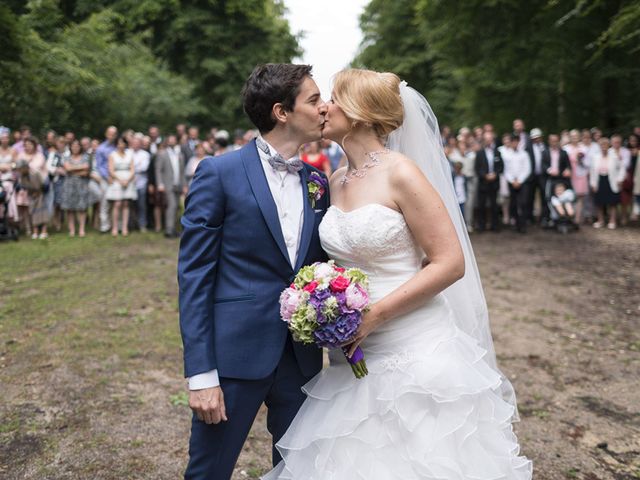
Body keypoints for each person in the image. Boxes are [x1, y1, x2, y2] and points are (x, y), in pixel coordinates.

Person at [264, 68, 531, 479]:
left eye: (334, 98)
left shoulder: (402, 173)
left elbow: (449, 262)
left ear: (360, 112)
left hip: (414, 345)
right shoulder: (335, 180)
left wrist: (374, 315)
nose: (325, 107)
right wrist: (320, 302)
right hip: (349, 353)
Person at [178, 63, 329, 479]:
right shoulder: (219, 173)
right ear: (282, 112)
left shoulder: (318, 181)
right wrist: (201, 374)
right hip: (234, 357)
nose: (324, 108)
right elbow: (194, 278)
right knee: (209, 471)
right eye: (314, 100)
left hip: (300, 358)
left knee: (298, 471)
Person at [155, 134, 186, 238]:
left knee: (176, 206)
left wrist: (184, 185)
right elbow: (158, 170)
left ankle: (173, 228)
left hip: (178, 184)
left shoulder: (179, 154)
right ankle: (168, 229)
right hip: (167, 184)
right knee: (172, 205)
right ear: (167, 141)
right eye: (170, 140)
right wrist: (160, 184)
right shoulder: (162, 154)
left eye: (174, 139)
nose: (172, 141)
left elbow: (182, 171)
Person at [590, 137, 625, 229]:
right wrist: (593, 184)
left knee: (612, 203)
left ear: (608, 145)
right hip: (599, 180)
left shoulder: (614, 156)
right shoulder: (595, 157)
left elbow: (622, 168)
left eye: (605, 145)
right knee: (599, 202)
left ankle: (612, 221)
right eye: (602, 145)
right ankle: (600, 220)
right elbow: (592, 172)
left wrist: (620, 179)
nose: (604, 147)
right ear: (599, 146)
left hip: (611, 181)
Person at [106, 135, 137, 236]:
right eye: (119, 143)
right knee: (117, 204)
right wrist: (120, 180)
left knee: (126, 204)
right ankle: (115, 227)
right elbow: (111, 170)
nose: (121, 145)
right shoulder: (112, 155)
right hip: (116, 180)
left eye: (123, 143)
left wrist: (128, 180)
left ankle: (124, 228)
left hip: (128, 180)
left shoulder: (130, 154)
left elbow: (132, 169)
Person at [501, 134, 531, 233]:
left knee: (523, 203)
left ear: (518, 142)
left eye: (516, 141)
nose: (514, 143)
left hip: (522, 182)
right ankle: (516, 223)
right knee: (513, 203)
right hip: (511, 182)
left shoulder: (524, 154)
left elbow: (527, 169)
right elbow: (506, 169)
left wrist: (520, 180)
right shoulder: (507, 154)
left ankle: (523, 224)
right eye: (512, 141)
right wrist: (512, 180)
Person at [61, 139, 90, 237]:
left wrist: (72, 169)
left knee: (81, 208)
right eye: (73, 146)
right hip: (69, 185)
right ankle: (72, 230)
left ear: (80, 147)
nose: (75, 148)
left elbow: (86, 170)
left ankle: (82, 229)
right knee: (70, 208)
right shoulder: (66, 157)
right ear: (70, 147)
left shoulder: (85, 157)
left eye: (77, 146)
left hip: (81, 185)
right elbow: (67, 168)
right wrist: (80, 168)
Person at [475, 130, 503, 232]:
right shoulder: (479, 153)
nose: (488, 141)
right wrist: (485, 176)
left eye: (490, 139)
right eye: (486, 139)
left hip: (494, 183)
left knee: (494, 205)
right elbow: (477, 169)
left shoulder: (497, 152)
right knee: (481, 205)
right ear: (484, 140)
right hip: (483, 183)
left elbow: (501, 167)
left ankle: (495, 226)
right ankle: (481, 226)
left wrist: (495, 174)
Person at [95, 126, 118, 233]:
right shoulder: (100, 148)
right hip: (105, 179)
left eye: (114, 134)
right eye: (110, 133)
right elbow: (99, 166)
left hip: (117, 179)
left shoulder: (117, 147)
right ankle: (104, 226)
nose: (112, 136)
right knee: (105, 203)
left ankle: (115, 225)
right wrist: (107, 177)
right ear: (106, 134)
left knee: (116, 203)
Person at [564, 129, 589, 224]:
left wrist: (581, 161)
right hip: (570, 174)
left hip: (580, 174)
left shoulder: (584, 148)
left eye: (576, 136)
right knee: (570, 195)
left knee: (580, 197)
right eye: (572, 136)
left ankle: (577, 218)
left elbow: (588, 162)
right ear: (570, 137)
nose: (574, 138)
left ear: (579, 137)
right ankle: (570, 215)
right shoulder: (566, 148)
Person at [130, 134, 151, 232]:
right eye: (133, 143)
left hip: (141, 184)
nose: (135, 145)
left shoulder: (145, 154)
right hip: (129, 184)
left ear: (140, 144)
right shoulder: (127, 152)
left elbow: (144, 168)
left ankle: (142, 225)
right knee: (130, 206)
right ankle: (131, 225)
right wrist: (135, 167)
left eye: (137, 143)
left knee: (141, 205)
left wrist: (131, 168)